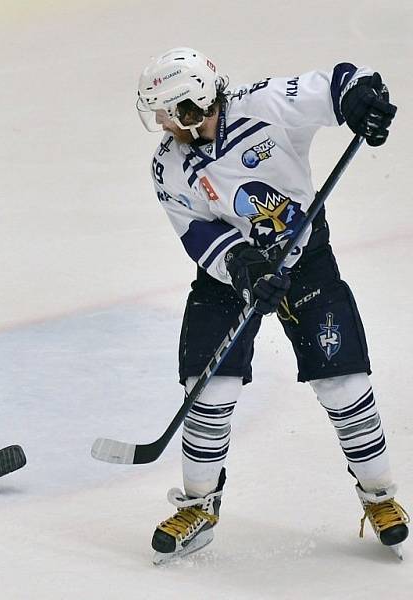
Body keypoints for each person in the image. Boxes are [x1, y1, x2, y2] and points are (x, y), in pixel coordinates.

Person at [136, 48, 408, 563]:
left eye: (168, 112)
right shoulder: (168, 166)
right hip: (229, 280)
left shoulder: (264, 107)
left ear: (194, 107)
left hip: (306, 263)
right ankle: (199, 506)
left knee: (344, 383)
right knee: (207, 388)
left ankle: (380, 498)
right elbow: (197, 233)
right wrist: (243, 268)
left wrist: (362, 103)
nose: (161, 123)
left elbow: (337, 83)